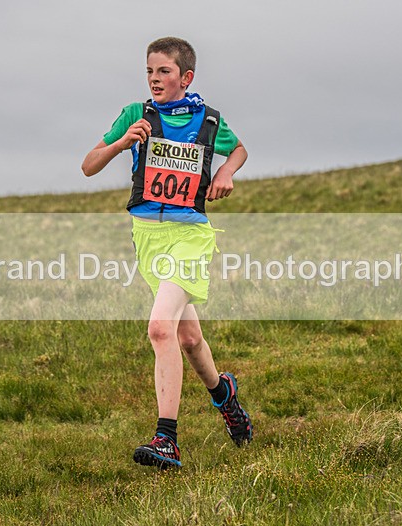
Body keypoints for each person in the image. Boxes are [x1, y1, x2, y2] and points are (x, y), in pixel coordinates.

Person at [81, 37, 252, 469]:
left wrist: (226, 174)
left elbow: (239, 150)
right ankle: (224, 395)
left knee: (160, 329)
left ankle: (166, 439)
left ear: (186, 77)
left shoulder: (208, 120)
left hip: (191, 235)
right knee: (188, 339)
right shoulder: (136, 114)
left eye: (165, 72)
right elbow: (88, 165)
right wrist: (122, 145)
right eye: (150, 72)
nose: (155, 80)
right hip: (148, 238)